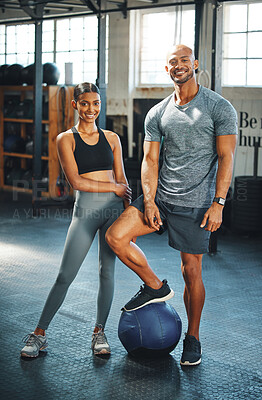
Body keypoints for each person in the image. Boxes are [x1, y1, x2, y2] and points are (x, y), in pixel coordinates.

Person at [106, 44, 238, 366]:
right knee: (116, 237)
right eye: (171, 63)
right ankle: (154, 286)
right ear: (167, 71)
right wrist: (149, 201)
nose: (178, 66)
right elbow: (150, 159)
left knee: (192, 271)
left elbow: (226, 157)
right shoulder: (158, 112)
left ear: (194, 64)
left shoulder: (219, 108)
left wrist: (218, 202)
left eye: (183, 60)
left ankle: (193, 338)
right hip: (162, 198)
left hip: (195, 204)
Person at [21, 82, 131, 358]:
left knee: (107, 272)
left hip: (115, 212)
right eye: (84, 103)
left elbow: (123, 181)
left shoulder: (112, 138)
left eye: (95, 103)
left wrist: (129, 213)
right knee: (64, 275)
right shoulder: (65, 139)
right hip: (85, 212)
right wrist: (114, 189)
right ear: (75, 105)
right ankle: (39, 334)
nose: (91, 109)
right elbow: (75, 181)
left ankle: (99, 332)